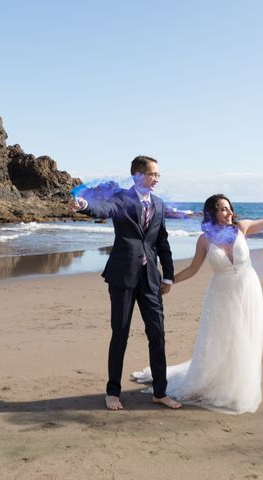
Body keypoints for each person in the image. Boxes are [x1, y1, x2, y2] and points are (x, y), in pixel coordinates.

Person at [133, 194, 263, 413]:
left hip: (248, 290)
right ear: (212, 213)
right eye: (222, 209)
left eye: (229, 209)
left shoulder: (241, 228)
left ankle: (239, 386)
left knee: (246, 336)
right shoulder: (205, 240)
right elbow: (193, 269)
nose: (229, 213)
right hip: (221, 294)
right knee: (224, 339)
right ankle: (219, 382)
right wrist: (169, 282)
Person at [71, 155, 182, 410]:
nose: (156, 179)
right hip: (122, 275)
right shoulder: (122, 198)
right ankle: (112, 392)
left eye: (157, 175)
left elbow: (162, 242)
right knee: (120, 333)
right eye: (153, 174)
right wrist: (84, 204)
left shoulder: (159, 204)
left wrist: (168, 275)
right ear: (137, 175)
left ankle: (160, 391)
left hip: (150, 279)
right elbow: (103, 209)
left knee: (157, 334)